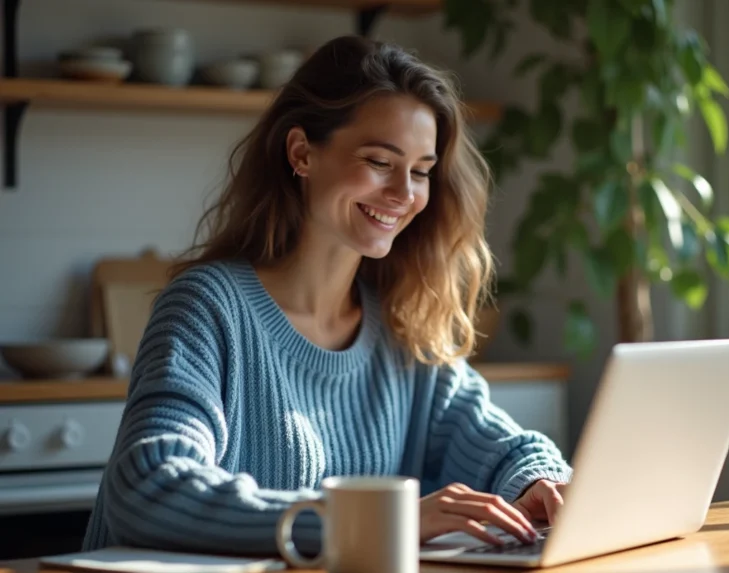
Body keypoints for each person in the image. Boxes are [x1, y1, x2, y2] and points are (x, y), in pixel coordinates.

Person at [82, 34, 572, 557]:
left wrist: (539, 484)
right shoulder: (206, 308)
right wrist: (381, 521)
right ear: (302, 153)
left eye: (422, 171)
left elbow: (502, 446)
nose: (405, 194)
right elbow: (147, 488)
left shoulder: (400, 323)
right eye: (380, 161)